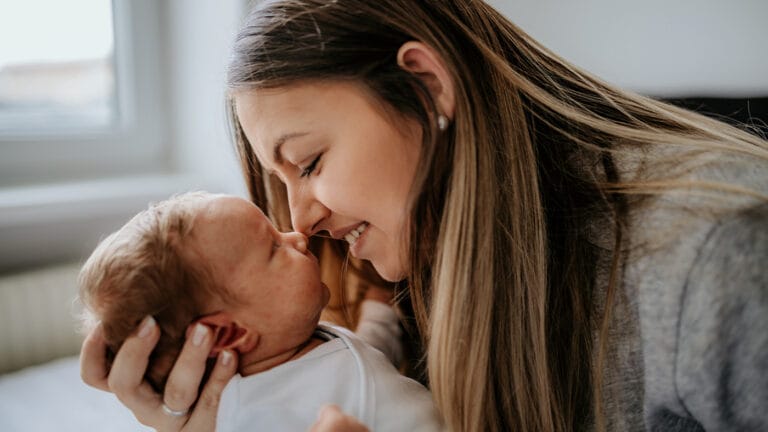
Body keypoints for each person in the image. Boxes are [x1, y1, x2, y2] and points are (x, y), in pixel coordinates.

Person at [79, 1, 768, 431]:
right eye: (280, 182)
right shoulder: (410, 277)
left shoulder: (713, 254)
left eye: (310, 162)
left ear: (426, 86)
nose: (302, 218)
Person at [78, 191, 442, 431]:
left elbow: (366, 362)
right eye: (273, 247)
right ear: (227, 334)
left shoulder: (299, 344)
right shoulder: (256, 416)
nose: (297, 236)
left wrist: (379, 304)